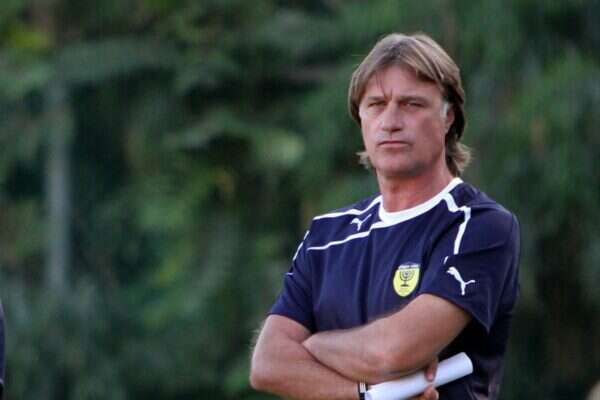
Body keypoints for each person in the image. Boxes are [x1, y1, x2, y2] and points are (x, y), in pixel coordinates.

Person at [250, 32, 520, 400]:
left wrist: (312, 345)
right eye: (376, 104)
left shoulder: (478, 225)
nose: (391, 121)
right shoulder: (326, 235)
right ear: (360, 118)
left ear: (448, 117)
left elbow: (391, 353)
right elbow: (268, 363)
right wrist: (362, 394)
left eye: (412, 104)